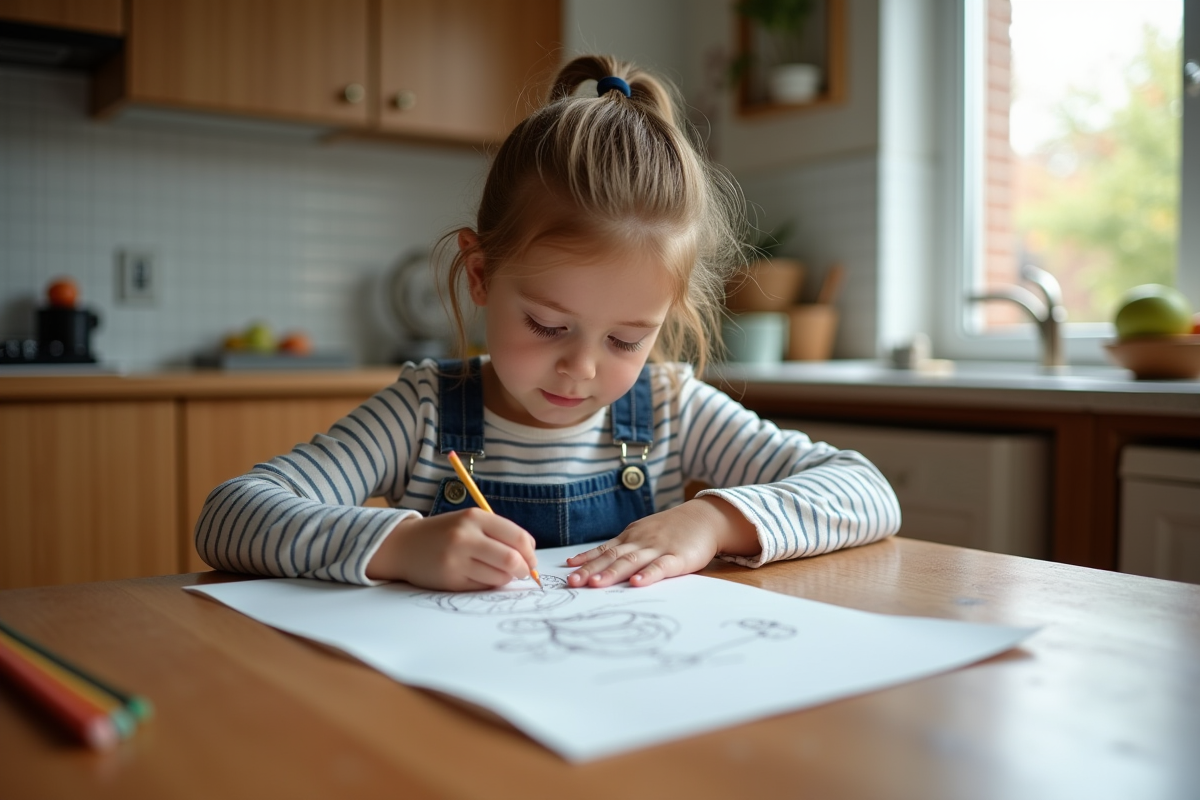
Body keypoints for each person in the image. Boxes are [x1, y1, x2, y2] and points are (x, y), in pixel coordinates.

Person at [195, 54, 901, 592]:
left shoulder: (668, 410)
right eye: (548, 325)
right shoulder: (422, 415)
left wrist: (713, 521)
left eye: (627, 339)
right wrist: (399, 546)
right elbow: (230, 514)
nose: (585, 369)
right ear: (480, 276)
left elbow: (866, 491)